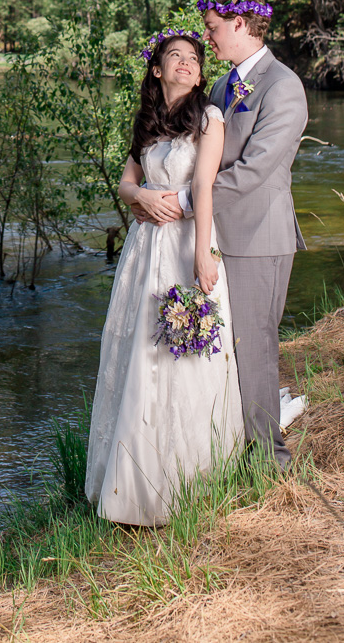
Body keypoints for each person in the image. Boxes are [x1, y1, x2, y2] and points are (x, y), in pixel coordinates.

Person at [85, 29, 243, 526]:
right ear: (157, 70)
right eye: (175, 57)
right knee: (141, 352)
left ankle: (191, 480)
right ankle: (131, 486)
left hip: (185, 243)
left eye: (194, 58)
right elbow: (126, 182)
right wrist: (141, 198)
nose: (187, 63)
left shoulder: (209, 119)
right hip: (145, 248)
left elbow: (203, 187)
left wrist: (203, 258)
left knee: (189, 351)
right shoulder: (148, 123)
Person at [199, 0, 307, 472]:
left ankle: (270, 462)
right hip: (218, 238)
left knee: (255, 346)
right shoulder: (222, 87)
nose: (209, 37)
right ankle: (228, 449)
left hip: (260, 238)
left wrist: (188, 201)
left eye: (214, 28)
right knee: (222, 347)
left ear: (240, 24)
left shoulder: (283, 85)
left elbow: (257, 168)